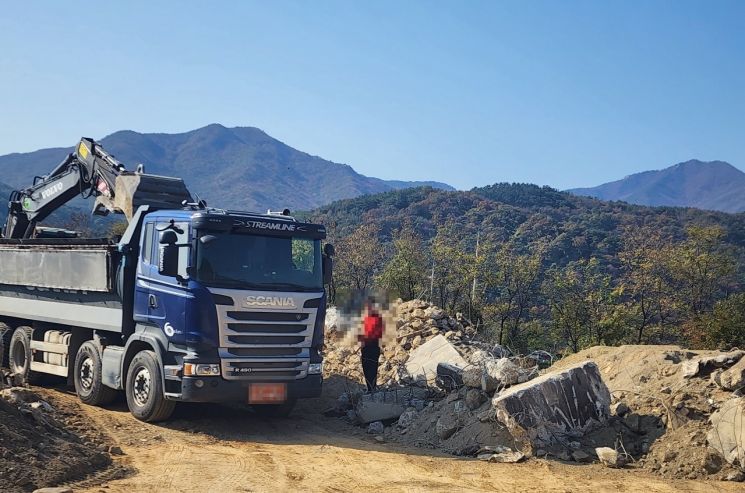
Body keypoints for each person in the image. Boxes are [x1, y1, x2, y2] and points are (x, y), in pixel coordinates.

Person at [359, 299, 383, 392]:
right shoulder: (370, 318)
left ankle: (371, 388)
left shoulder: (374, 318)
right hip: (371, 347)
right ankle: (370, 388)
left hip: (371, 347)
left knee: (370, 368)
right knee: (369, 368)